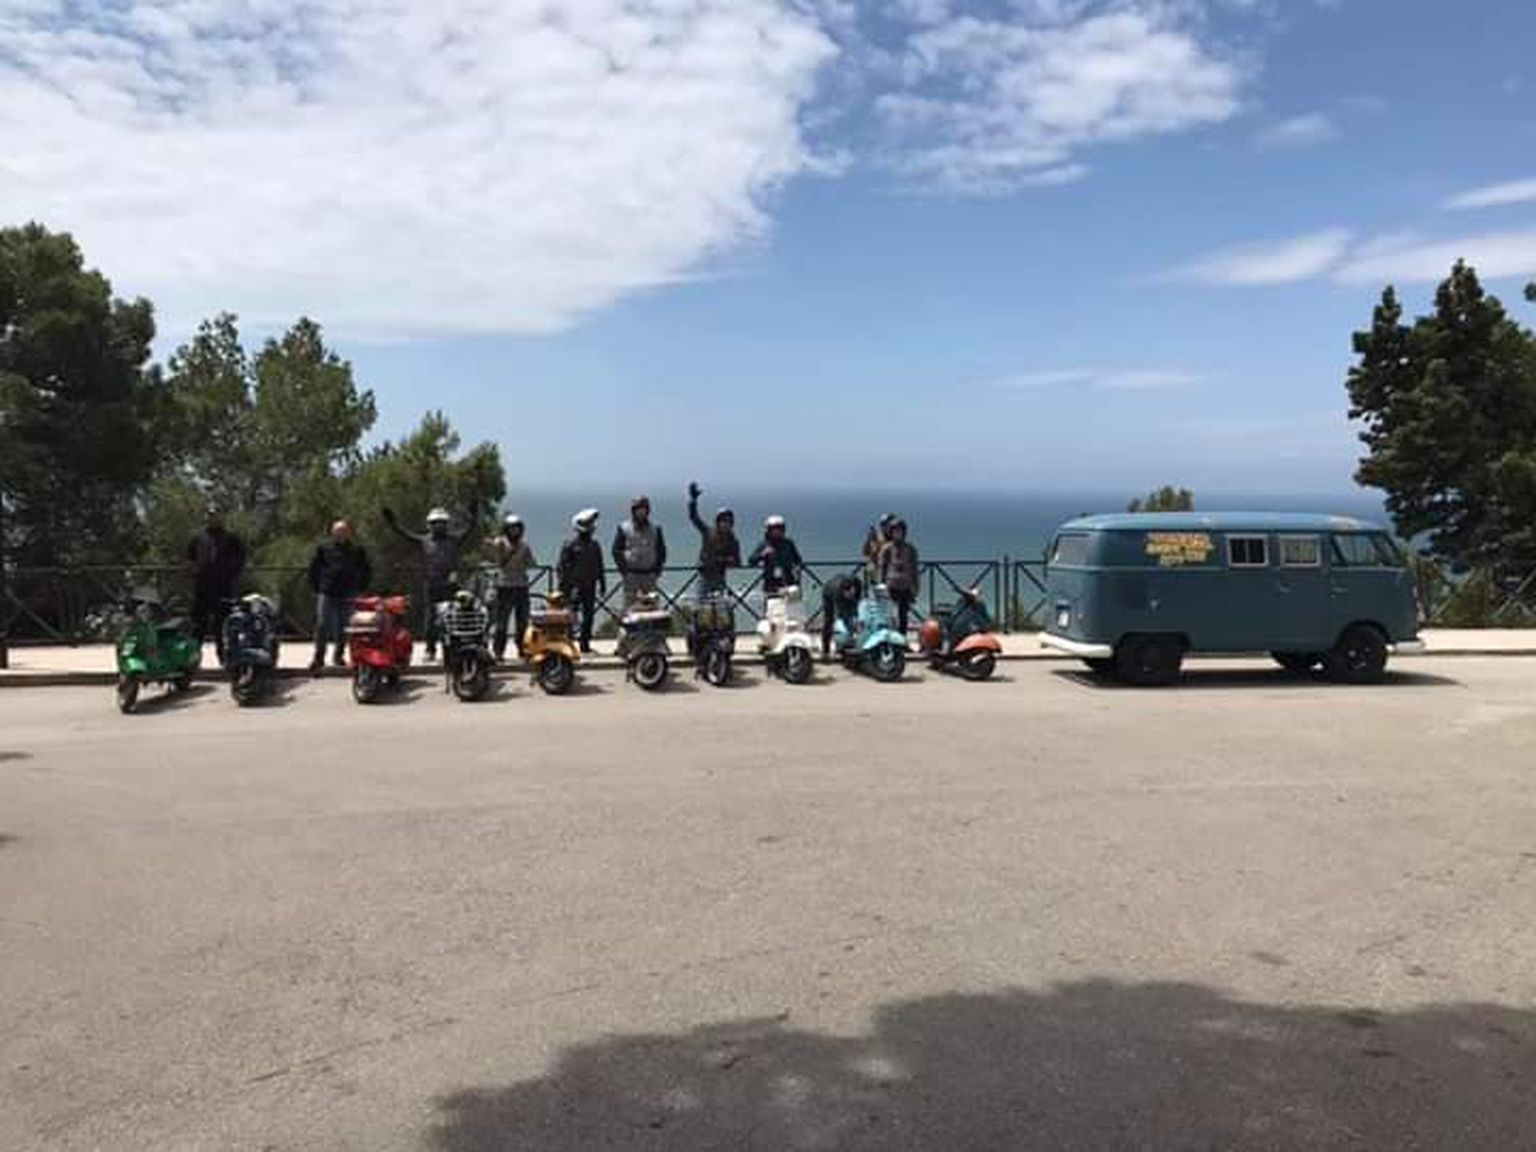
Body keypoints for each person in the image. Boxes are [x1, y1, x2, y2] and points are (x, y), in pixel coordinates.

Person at [383, 501, 479, 661]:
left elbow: (469, 530)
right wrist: (392, 522)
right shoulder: (424, 541)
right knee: (431, 619)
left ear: (446, 524)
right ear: (430, 525)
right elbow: (404, 534)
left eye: (442, 523)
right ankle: (430, 649)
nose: (439, 526)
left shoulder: (454, 540)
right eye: (436, 523)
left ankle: (455, 648)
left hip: (451, 585)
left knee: (454, 617)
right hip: (432, 585)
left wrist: (474, 516)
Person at [306, 519, 371, 673]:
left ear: (348, 533)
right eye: (337, 531)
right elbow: (314, 569)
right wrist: (316, 587)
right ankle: (318, 658)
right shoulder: (323, 548)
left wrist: (361, 587)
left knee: (344, 627)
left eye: (343, 531)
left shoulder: (356, 550)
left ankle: (338, 656)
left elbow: (365, 569)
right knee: (322, 624)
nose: (340, 533)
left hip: (348, 592)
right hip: (327, 592)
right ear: (332, 532)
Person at [186, 507, 247, 663]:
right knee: (198, 624)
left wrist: (231, 572)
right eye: (209, 516)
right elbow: (189, 557)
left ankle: (224, 656)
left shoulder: (230, 538)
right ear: (205, 518)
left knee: (223, 623)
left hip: (223, 586)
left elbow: (241, 557)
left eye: (215, 516)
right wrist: (194, 570)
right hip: (202, 586)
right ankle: (193, 657)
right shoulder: (197, 537)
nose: (212, 519)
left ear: (220, 518)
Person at [485, 514, 537, 660]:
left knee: (522, 621)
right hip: (504, 586)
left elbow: (532, 563)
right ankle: (498, 651)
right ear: (506, 529)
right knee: (501, 622)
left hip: (521, 586)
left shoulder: (524, 545)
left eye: (517, 528)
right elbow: (496, 558)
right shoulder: (500, 543)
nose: (515, 531)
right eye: (512, 528)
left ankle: (522, 649)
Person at [558, 508, 605, 654]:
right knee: (570, 615)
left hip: (590, 585)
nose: (589, 528)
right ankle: (568, 643)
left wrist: (602, 583)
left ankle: (584, 644)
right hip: (574, 586)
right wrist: (563, 587)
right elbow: (562, 567)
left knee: (588, 616)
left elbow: (599, 566)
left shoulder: (595, 545)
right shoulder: (570, 545)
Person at [612, 495, 667, 608]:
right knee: (629, 606)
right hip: (631, 575)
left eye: (643, 509)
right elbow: (616, 551)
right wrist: (624, 571)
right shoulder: (623, 528)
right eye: (638, 509)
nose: (641, 512)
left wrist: (657, 570)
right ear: (633, 511)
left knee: (652, 606)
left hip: (650, 574)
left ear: (647, 511)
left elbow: (661, 550)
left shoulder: (656, 528)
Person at [686, 482, 740, 595]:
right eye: (723, 521)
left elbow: (737, 562)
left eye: (728, 521)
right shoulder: (708, 532)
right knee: (701, 603)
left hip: (720, 577)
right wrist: (693, 501)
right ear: (717, 522)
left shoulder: (733, 540)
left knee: (720, 604)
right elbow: (694, 518)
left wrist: (727, 560)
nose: (725, 524)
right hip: (704, 575)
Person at [879, 517, 921, 635]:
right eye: (895, 531)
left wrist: (916, 586)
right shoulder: (887, 549)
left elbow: (914, 568)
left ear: (904, 533)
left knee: (903, 615)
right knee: (889, 615)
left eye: (899, 531)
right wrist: (881, 585)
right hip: (890, 586)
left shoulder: (910, 549)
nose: (897, 534)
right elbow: (882, 568)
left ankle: (902, 638)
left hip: (905, 586)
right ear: (891, 533)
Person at [749, 515, 804, 597]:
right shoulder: (764, 544)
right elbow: (751, 560)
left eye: (779, 528)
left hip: (788, 581)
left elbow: (798, 560)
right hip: (771, 584)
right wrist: (763, 554)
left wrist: (797, 573)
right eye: (773, 529)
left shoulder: (788, 544)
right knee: (772, 603)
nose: (776, 531)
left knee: (790, 603)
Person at [820, 571, 863, 659]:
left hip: (841, 582)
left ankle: (852, 644)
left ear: (853, 589)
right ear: (843, 592)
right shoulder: (837, 593)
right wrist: (852, 628)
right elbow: (842, 614)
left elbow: (858, 604)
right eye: (847, 595)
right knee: (829, 620)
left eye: (851, 594)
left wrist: (857, 619)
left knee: (854, 614)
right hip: (828, 592)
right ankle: (826, 650)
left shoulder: (858, 585)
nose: (849, 596)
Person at [862, 513, 896, 583]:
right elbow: (866, 552)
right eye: (886, 524)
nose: (889, 527)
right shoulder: (876, 538)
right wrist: (869, 539)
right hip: (877, 573)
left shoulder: (895, 539)